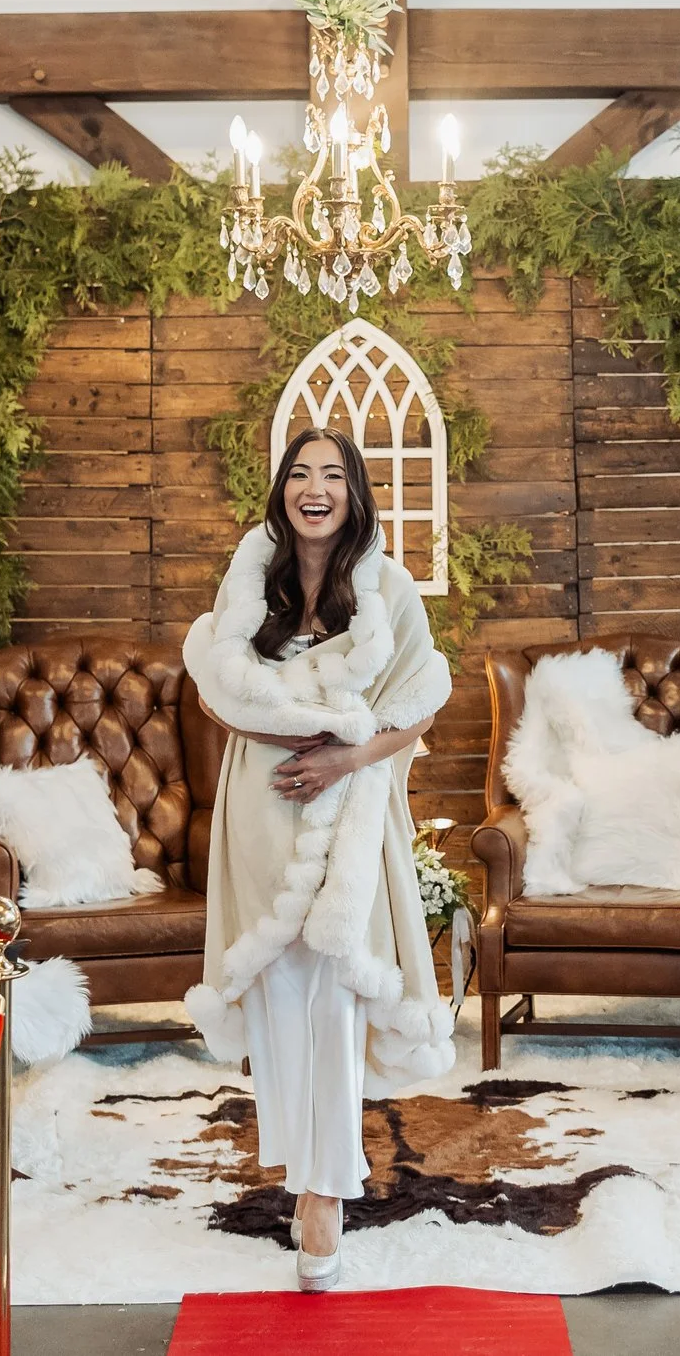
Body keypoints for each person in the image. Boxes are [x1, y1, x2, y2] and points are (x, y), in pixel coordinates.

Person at [181, 426, 456, 1291]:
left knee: (333, 998)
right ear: (282, 490)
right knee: (278, 997)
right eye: (300, 472)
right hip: (261, 807)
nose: (314, 487)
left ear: (354, 492)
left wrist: (344, 755)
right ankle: (297, 1164)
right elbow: (222, 690)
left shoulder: (386, 587)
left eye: (332, 475)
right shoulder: (249, 578)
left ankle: (326, 1192)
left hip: (345, 813)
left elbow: (418, 702)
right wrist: (281, 730)